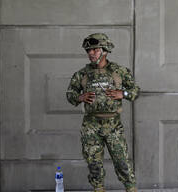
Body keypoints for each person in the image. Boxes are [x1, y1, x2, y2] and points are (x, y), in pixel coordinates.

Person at [66, 33, 139, 192]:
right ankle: (98, 189)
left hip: (113, 125)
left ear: (105, 50)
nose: (90, 53)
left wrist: (123, 94)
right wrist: (80, 97)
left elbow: (135, 91)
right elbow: (70, 95)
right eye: (88, 51)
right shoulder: (82, 74)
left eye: (95, 50)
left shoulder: (119, 71)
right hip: (91, 126)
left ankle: (131, 189)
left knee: (122, 163)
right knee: (94, 165)